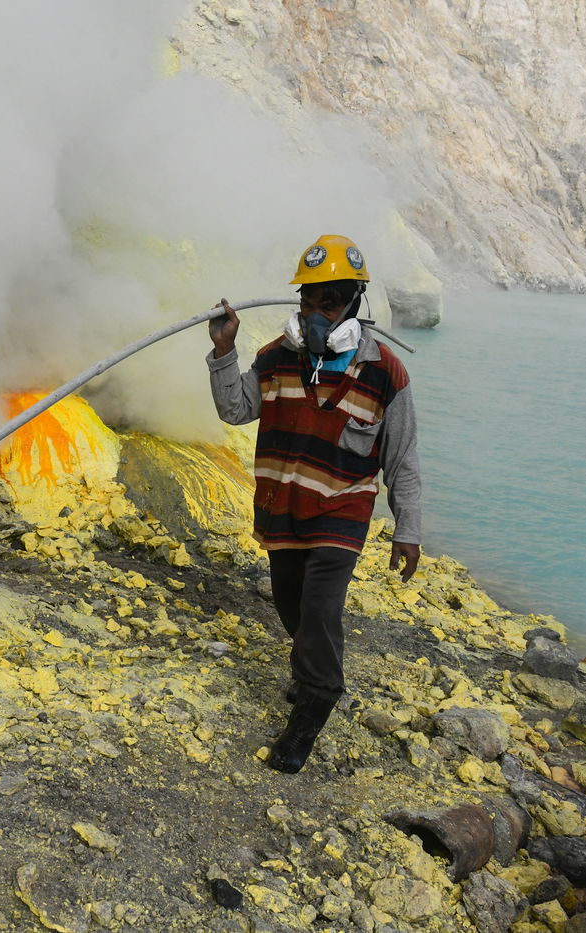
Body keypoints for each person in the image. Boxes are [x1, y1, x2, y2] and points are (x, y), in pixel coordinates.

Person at [206, 234, 422, 773]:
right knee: (291, 606)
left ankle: (314, 707)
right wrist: (225, 350)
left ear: (355, 302)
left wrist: (407, 528)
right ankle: (309, 673)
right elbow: (235, 411)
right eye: (310, 299)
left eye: (332, 301)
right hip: (282, 510)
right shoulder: (275, 357)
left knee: (321, 610)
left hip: (342, 514)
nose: (318, 311)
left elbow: (402, 457)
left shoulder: (386, 372)